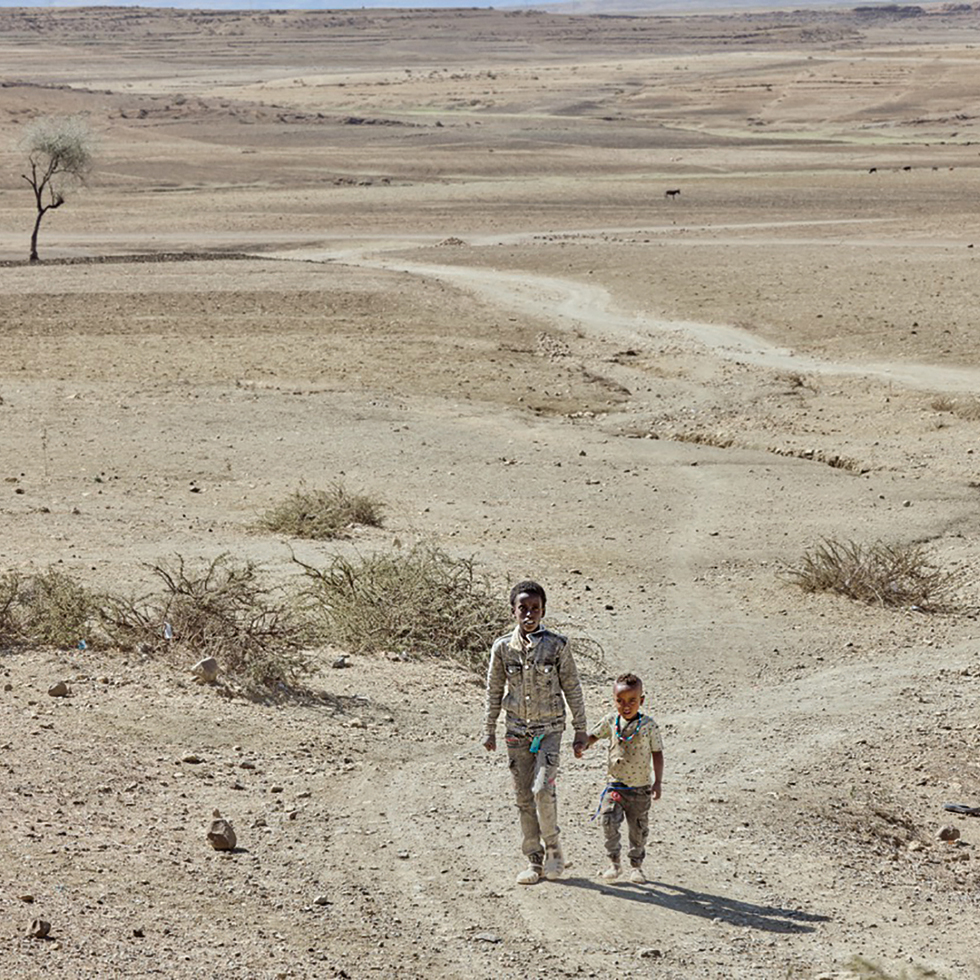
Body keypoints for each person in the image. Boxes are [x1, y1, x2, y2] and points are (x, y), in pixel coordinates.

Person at [483, 580, 588, 885]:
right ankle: (534, 860)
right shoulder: (503, 648)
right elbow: (494, 690)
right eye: (523, 608)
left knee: (543, 790)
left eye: (535, 609)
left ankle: (554, 850)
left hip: (550, 730)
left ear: (543, 610)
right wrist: (489, 728)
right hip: (516, 732)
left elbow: (572, 687)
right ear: (513, 610)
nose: (529, 614)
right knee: (523, 797)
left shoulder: (557, 646)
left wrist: (580, 729)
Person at [584, 672, 663, 884]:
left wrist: (658, 782)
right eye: (620, 701)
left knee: (638, 829)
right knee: (608, 821)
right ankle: (614, 862)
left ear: (642, 701)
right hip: (615, 785)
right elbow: (594, 735)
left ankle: (636, 867)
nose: (626, 706)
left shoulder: (648, 726)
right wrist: (583, 744)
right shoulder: (611, 721)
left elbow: (657, 753)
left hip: (640, 789)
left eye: (632, 701)